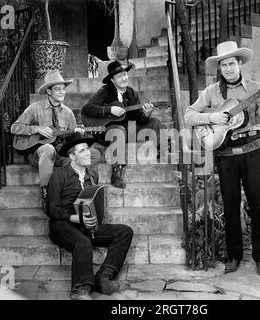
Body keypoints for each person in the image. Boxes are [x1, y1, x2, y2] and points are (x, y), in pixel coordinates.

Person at [185, 41, 260, 277]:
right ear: (220, 68)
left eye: (232, 63)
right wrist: (213, 116)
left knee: (258, 205)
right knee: (230, 206)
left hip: (252, 151)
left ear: (240, 63)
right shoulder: (212, 92)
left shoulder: (256, 88)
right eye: (223, 65)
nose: (228, 68)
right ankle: (234, 256)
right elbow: (189, 114)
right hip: (225, 155)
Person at [46, 132, 133, 300]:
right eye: (82, 151)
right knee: (83, 242)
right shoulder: (59, 175)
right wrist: (74, 218)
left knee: (124, 231)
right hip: (63, 225)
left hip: (85, 224)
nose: (87, 153)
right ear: (72, 156)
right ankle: (80, 290)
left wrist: (93, 218)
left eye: (87, 149)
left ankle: (103, 276)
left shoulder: (91, 175)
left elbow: (92, 200)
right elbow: (52, 209)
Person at [11, 70, 96, 211]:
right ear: (49, 91)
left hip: (59, 153)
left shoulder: (68, 113)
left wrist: (78, 135)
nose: (62, 92)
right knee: (48, 148)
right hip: (37, 153)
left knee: (87, 155)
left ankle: (81, 192)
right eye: (58, 89)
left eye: (63, 89)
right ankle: (46, 193)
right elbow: (14, 128)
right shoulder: (35, 108)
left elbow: (71, 140)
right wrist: (36, 129)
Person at [81, 60, 163, 189]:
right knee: (118, 130)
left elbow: (140, 119)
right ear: (112, 80)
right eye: (120, 76)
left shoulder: (132, 93)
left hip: (129, 130)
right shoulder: (105, 91)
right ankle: (116, 171)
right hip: (110, 132)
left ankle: (156, 152)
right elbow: (87, 109)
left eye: (125, 74)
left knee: (155, 122)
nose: (124, 78)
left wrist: (146, 114)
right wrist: (109, 110)